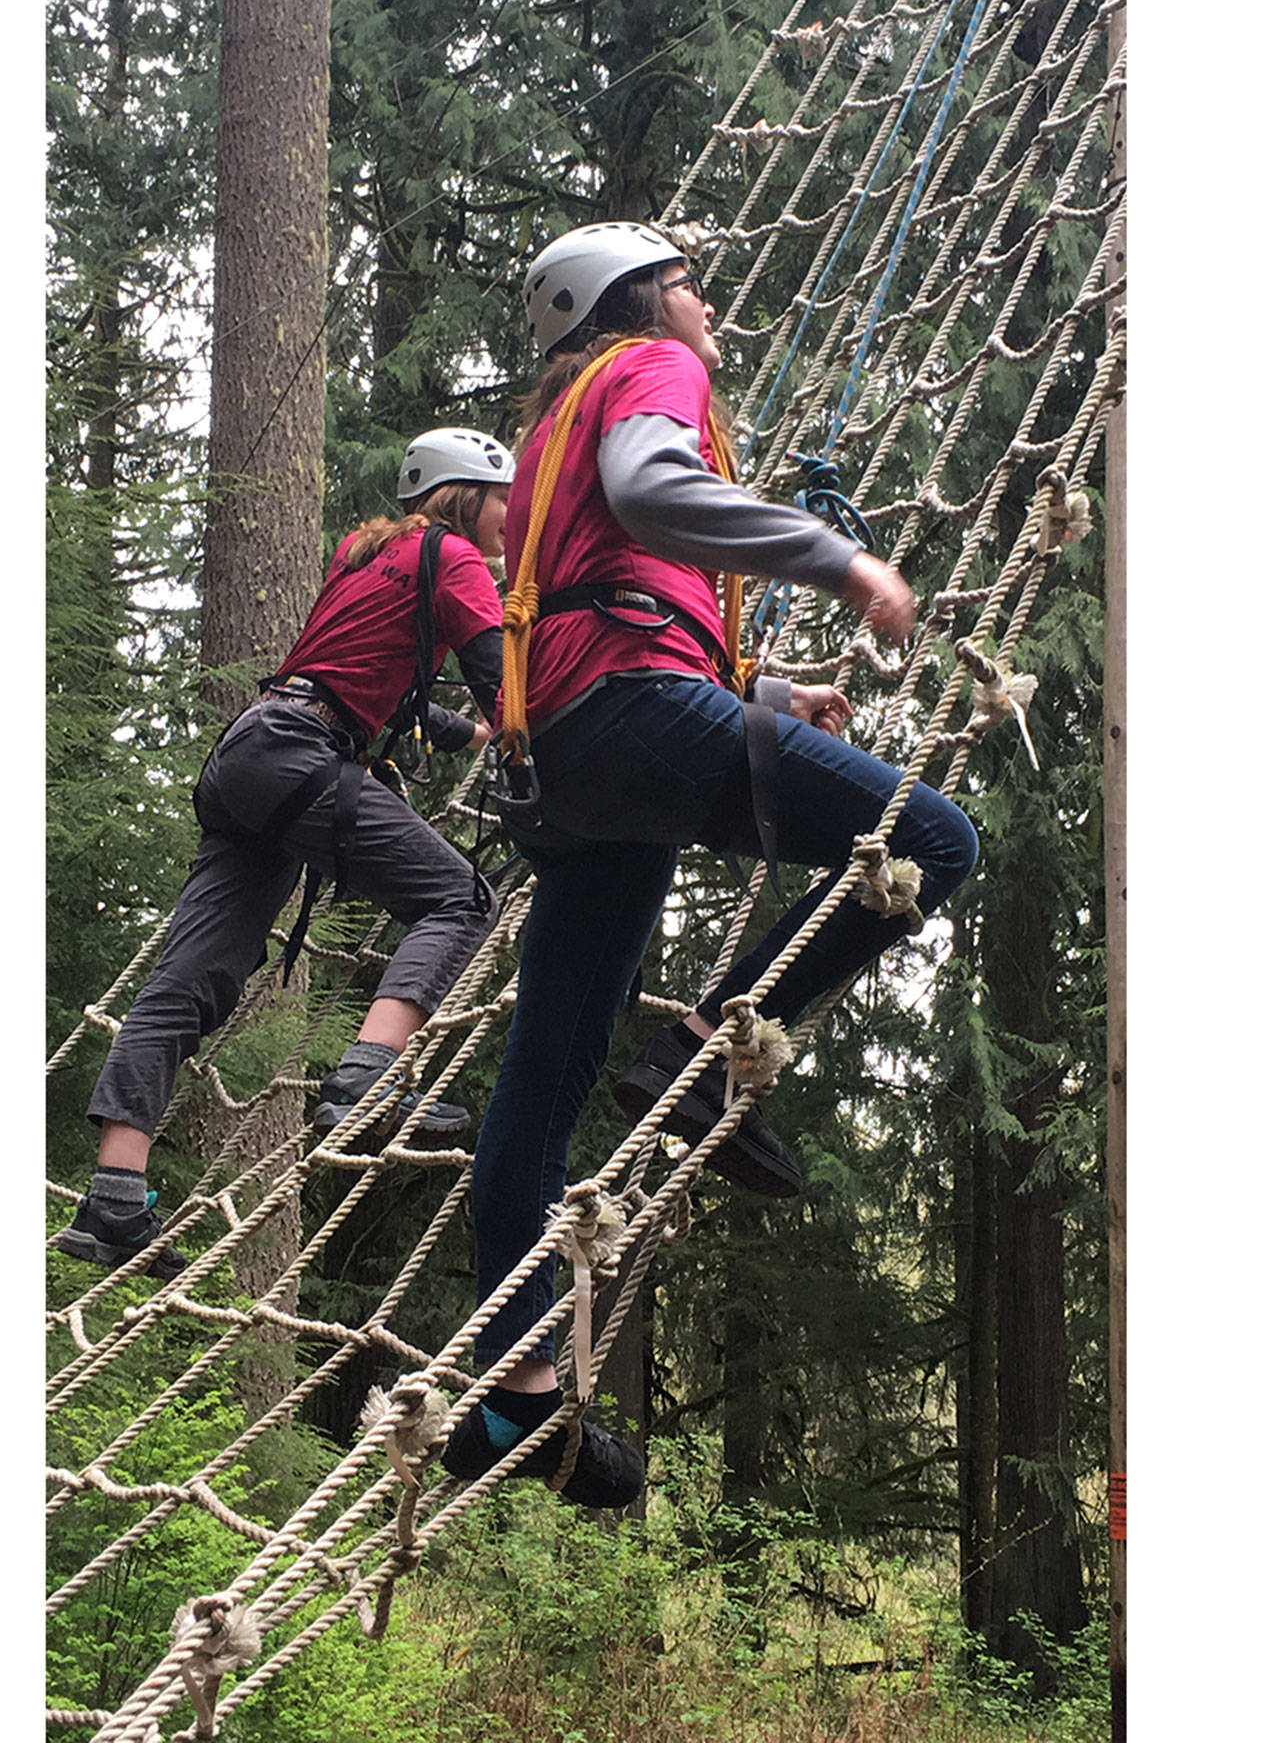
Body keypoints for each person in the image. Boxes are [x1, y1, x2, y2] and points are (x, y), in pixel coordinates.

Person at [439, 222, 980, 1509]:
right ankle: (699, 1048)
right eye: (692, 282)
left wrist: (773, 695)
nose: (709, 303)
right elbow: (653, 495)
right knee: (934, 838)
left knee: (545, 1079)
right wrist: (837, 557)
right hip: (622, 711)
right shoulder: (645, 368)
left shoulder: (552, 419)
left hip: (568, 754)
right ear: (637, 300)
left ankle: (508, 1401)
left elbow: (603, 589)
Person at [56, 427, 515, 1282]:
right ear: (465, 497)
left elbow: (360, 674)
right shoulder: (454, 559)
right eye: (504, 501)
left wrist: (464, 733)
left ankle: (113, 1197)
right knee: (462, 901)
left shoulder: (364, 553)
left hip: (251, 753)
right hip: (304, 751)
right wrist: (526, 738)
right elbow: (504, 678)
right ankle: (367, 1078)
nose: (511, 520)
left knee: (192, 977)